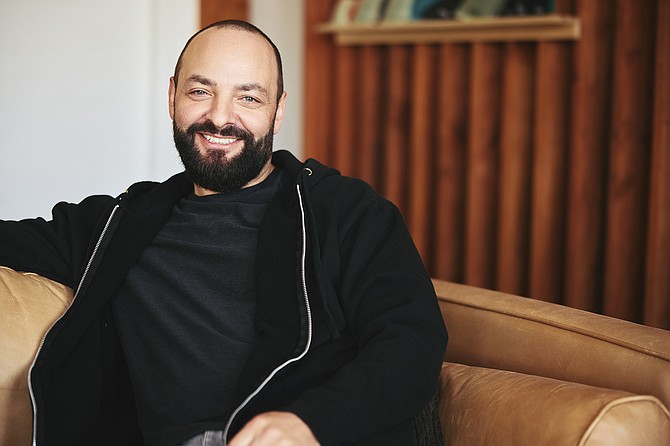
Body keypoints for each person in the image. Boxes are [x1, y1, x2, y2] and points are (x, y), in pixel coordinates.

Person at [0, 20, 448, 446]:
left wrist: (311, 424)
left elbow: (411, 343)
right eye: (200, 91)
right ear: (172, 96)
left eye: (248, 98)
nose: (219, 118)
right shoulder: (116, 226)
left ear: (278, 110)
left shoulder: (345, 212)